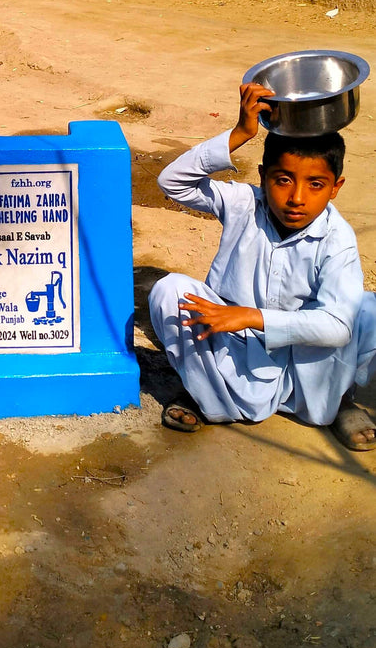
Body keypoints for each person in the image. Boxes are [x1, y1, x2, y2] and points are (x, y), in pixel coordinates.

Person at [149, 81, 376, 449]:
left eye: (315, 184)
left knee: (366, 309)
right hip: (234, 346)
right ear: (262, 177)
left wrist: (252, 316)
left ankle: (341, 402)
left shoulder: (339, 238)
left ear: (336, 187)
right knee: (169, 290)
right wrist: (240, 132)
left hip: (307, 365)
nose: (296, 198)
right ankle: (207, 396)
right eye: (283, 180)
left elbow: (336, 329)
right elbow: (172, 182)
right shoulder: (242, 203)